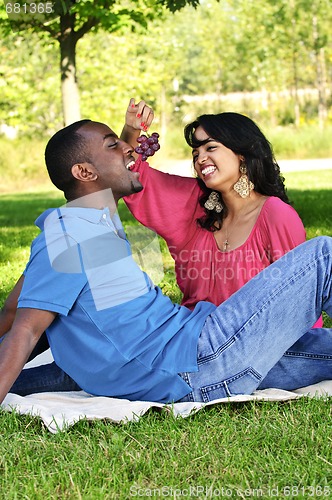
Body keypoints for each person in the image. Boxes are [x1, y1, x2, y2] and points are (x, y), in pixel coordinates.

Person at [0, 109, 331, 405]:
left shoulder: (91, 228)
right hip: (197, 357)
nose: (130, 149)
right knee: (325, 254)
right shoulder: (74, 232)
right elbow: (26, 327)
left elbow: (20, 311)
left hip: (197, 349)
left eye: (211, 146)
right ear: (85, 173)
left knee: (321, 347)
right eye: (113, 145)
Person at [123, 102, 322, 330]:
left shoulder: (275, 215)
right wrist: (131, 129)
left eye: (210, 148)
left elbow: (303, 299)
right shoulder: (195, 208)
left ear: (242, 154)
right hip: (191, 344)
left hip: (255, 350)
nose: (200, 159)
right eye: (196, 153)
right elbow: (131, 174)